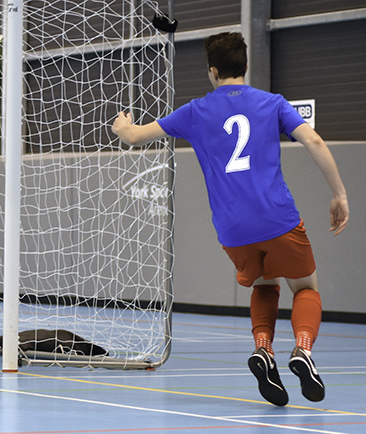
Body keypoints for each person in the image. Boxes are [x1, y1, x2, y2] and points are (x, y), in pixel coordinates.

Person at [111, 32, 349, 406]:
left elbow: (135, 137)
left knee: (264, 285)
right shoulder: (272, 103)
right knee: (305, 288)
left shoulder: (195, 111)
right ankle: (303, 349)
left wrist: (122, 125)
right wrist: (339, 194)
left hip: (233, 230)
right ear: (246, 66)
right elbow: (314, 142)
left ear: (212, 71)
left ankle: (263, 349)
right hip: (277, 218)